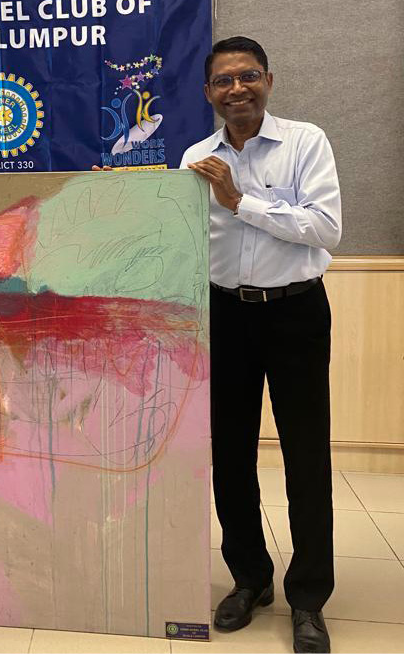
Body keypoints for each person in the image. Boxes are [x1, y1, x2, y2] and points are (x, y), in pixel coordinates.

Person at [181, 36, 341, 653]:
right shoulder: (196, 157)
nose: (237, 89)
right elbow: (185, 239)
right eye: (224, 80)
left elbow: (325, 227)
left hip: (296, 312)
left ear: (268, 81)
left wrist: (239, 201)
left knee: (306, 455)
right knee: (230, 455)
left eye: (248, 76)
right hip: (224, 314)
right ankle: (250, 578)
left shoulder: (305, 142)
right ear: (208, 93)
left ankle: (309, 598)